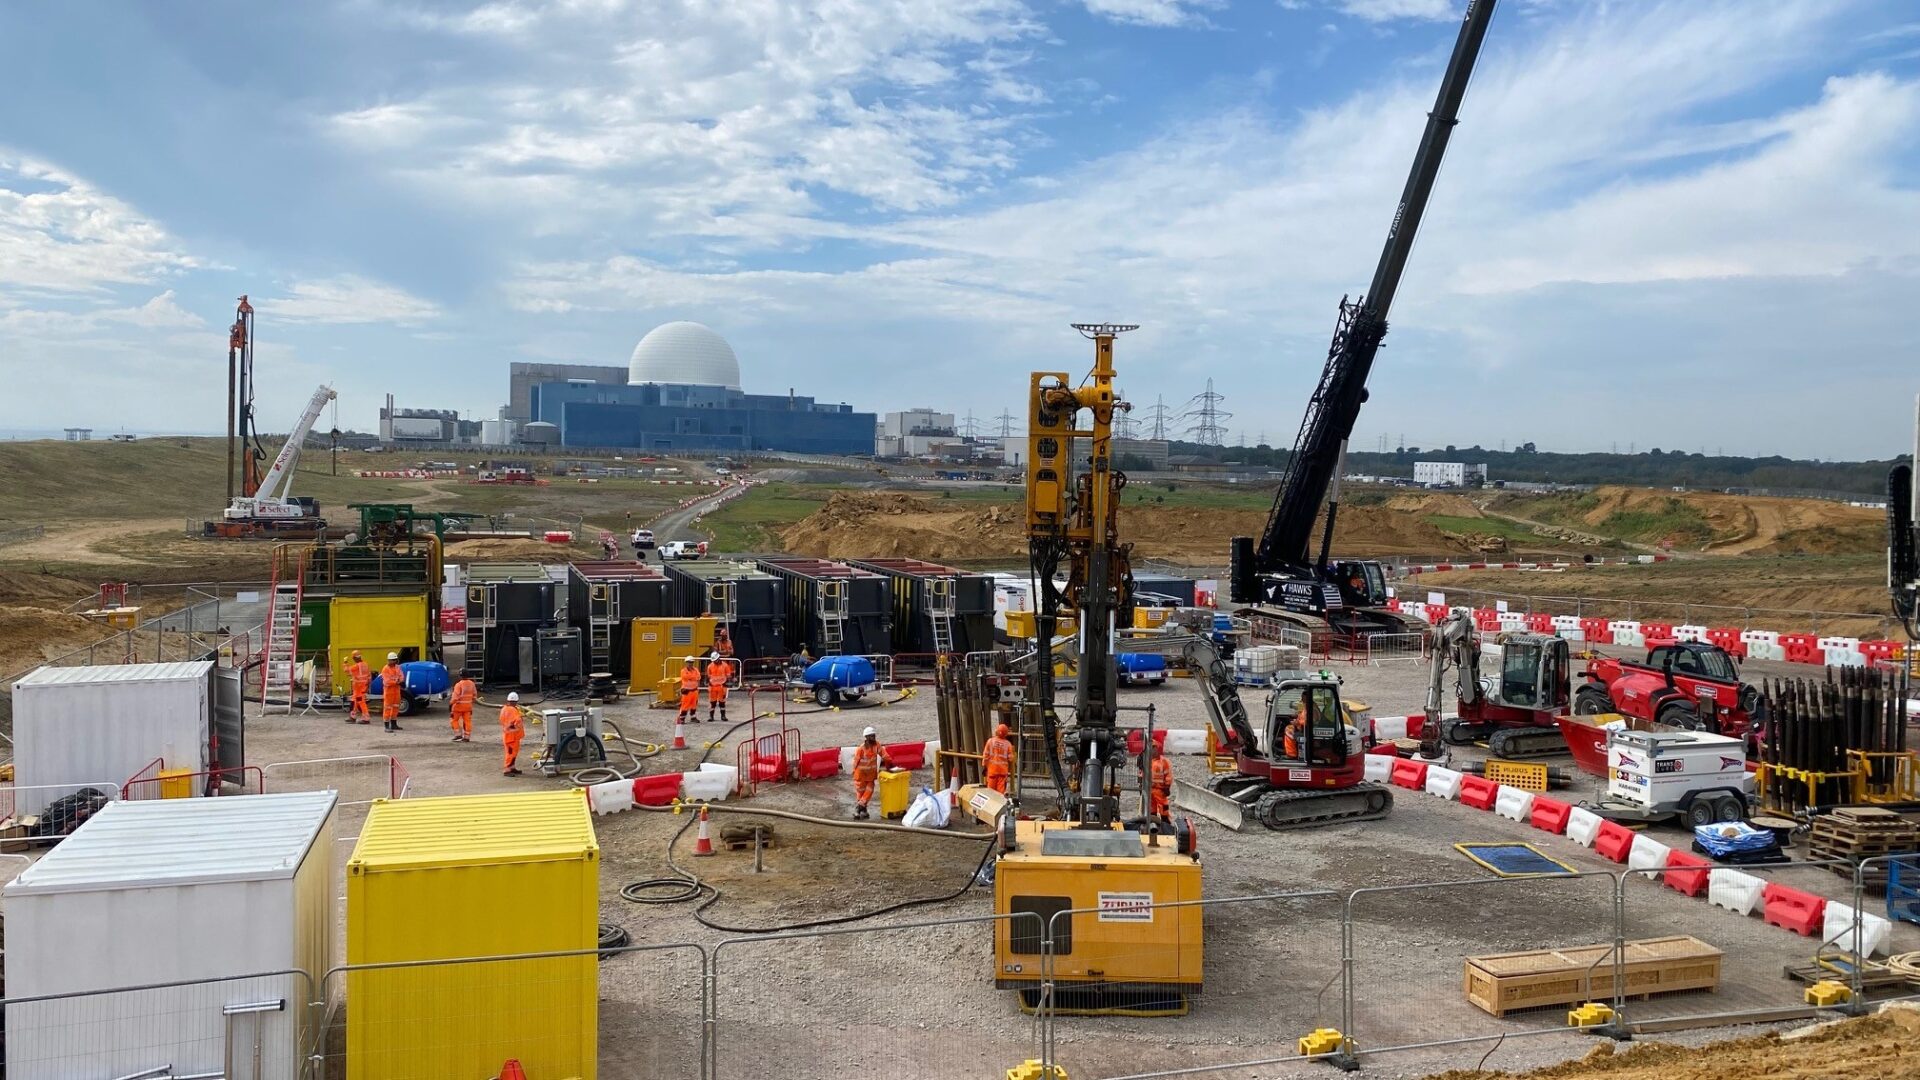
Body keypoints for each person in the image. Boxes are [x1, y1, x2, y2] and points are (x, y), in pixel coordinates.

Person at [851, 726, 894, 819]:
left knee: (869, 791)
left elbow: (885, 756)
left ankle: (858, 808)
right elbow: (855, 762)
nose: (873, 738)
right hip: (860, 775)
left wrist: (890, 765)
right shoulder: (861, 749)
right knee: (861, 793)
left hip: (870, 775)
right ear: (866, 737)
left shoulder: (876, 745)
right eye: (871, 736)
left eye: (874, 735)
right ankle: (863, 810)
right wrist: (853, 772)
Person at [982, 722, 1015, 795]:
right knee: (1000, 793)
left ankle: (991, 802)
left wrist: (984, 765)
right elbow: (1011, 758)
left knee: (990, 792)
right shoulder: (1008, 744)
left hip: (992, 770)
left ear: (997, 731)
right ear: (1006, 734)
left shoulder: (990, 741)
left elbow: (985, 755)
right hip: (1002, 772)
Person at [500, 691, 526, 776]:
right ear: (516, 701)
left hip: (509, 735)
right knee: (510, 754)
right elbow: (517, 721)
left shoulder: (504, 709)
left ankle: (512, 767)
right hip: (512, 736)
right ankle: (507, 770)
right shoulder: (513, 710)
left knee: (513, 753)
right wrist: (521, 717)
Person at [379, 652, 405, 733]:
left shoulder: (398, 667)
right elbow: (387, 681)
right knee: (387, 708)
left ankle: (394, 724)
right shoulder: (385, 669)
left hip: (396, 691)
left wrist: (399, 681)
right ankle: (386, 726)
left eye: (395, 660)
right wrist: (396, 682)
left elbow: (401, 676)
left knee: (396, 707)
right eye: (392, 660)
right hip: (389, 692)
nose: (394, 661)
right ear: (389, 660)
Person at [705, 652, 732, 723]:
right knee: (712, 702)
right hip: (712, 687)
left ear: (718, 658)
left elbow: (728, 675)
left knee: (722, 702)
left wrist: (726, 683)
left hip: (722, 687)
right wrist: (709, 684)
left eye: (715, 660)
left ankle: (723, 716)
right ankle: (711, 716)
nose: (715, 661)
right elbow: (708, 676)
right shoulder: (710, 666)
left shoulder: (725, 665)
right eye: (714, 660)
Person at [448, 675, 477, 742]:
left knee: (454, 720)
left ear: (460, 676)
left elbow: (455, 697)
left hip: (458, 707)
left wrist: (450, 704)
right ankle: (467, 737)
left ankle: (458, 735)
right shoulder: (472, 684)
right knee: (467, 721)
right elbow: (474, 696)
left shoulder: (459, 685)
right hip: (468, 707)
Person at [346, 650, 371, 724]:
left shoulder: (357, 666)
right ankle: (352, 717)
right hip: (362, 688)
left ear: (354, 658)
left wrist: (345, 663)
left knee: (361, 702)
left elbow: (347, 670)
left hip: (359, 688)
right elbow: (369, 676)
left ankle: (366, 718)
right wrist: (367, 686)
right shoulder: (365, 665)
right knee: (354, 702)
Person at [1148, 750, 1174, 820]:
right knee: (1151, 806)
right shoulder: (1148, 761)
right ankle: (1153, 820)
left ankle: (1165, 820)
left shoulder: (1163, 761)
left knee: (1163, 805)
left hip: (1160, 789)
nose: (1152, 750)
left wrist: (1167, 786)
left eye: (1154, 748)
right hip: (1150, 788)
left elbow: (1168, 775)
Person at [676, 657, 702, 724]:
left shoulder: (696, 670)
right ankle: (682, 718)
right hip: (686, 691)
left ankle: (693, 717)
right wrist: (694, 677)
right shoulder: (683, 671)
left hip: (694, 690)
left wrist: (692, 677)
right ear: (686, 663)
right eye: (689, 662)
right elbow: (686, 677)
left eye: (691, 662)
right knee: (685, 705)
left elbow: (699, 677)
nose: (690, 664)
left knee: (694, 705)